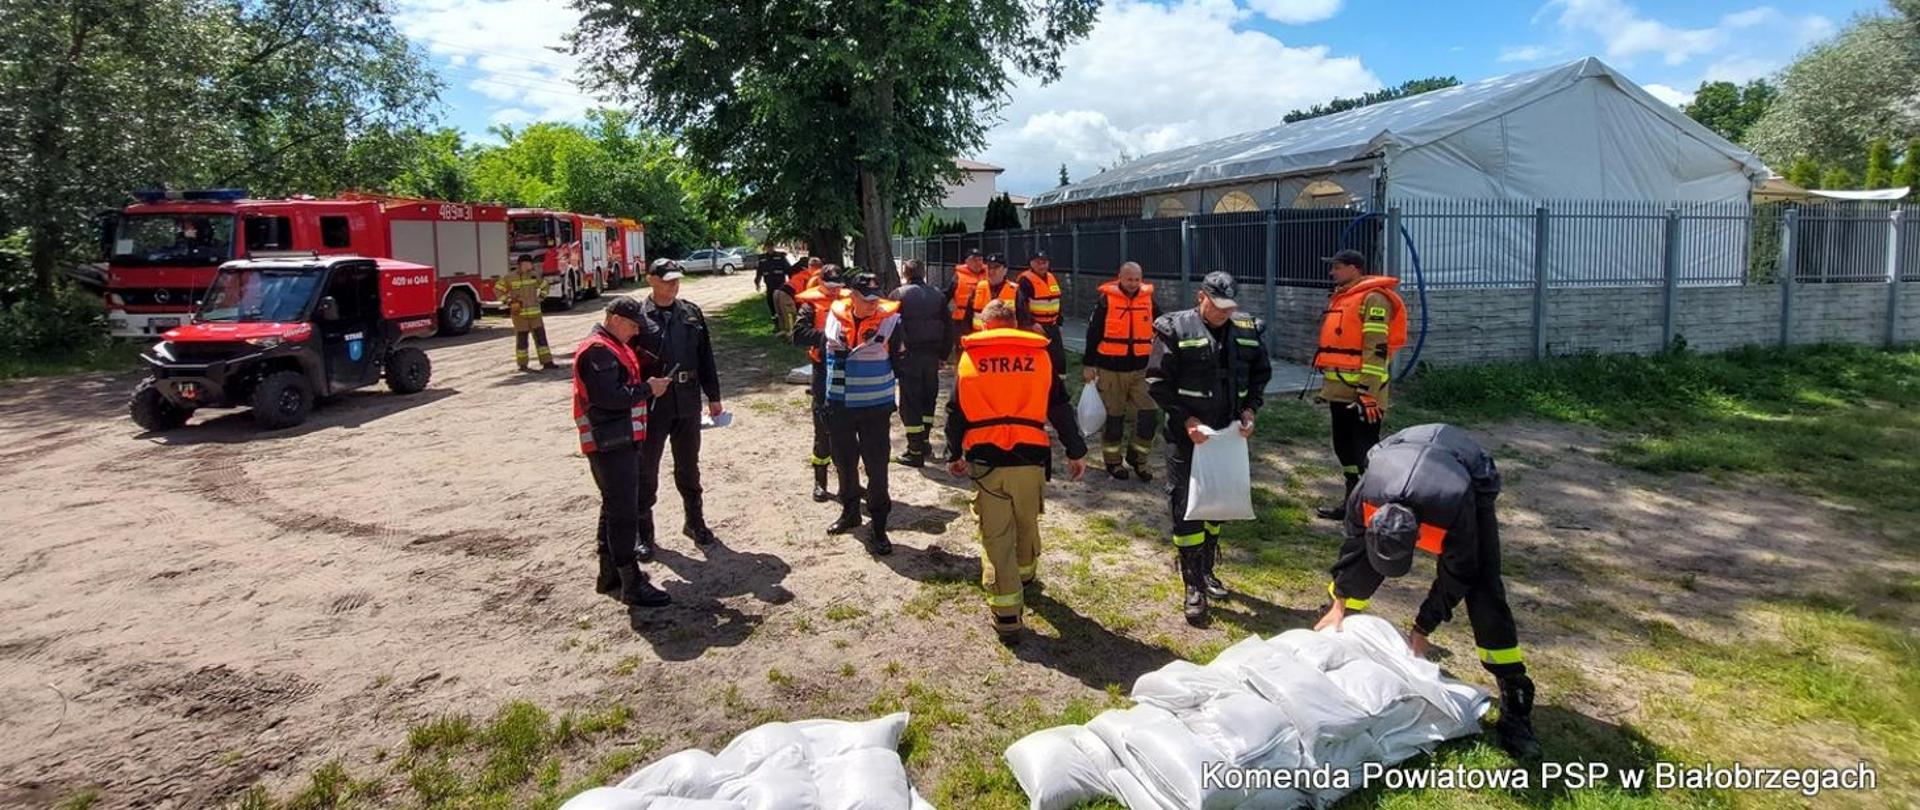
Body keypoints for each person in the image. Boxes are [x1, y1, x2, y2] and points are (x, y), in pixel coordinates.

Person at [1315, 423, 1539, 759]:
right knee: (1359, 566)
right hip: (1398, 452)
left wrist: (1423, 627)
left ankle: (1514, 692)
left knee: (1483, 586)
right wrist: (1339, 601)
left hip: (1467, 472)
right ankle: (1341, 629)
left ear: (1419, 535)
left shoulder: (1452, 509)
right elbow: (1353, 549)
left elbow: (1458, 573)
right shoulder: (1364, 497)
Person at [945, 300, 1088, 642]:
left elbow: (956, 410)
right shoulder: (1040, 356)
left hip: (987, 459)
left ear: (985, 325)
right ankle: (1025, 578)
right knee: (1026, 523)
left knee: (996, 536)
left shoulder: (970, 358)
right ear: (1014, 324)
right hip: (1030, 457)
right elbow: (1059, 407)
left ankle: (1008, 617)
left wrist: (953, 453)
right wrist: (1076, 450)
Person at [1145, 271, 1272, 625]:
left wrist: (1250, 410)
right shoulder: (1176, 329)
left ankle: (1206, 566)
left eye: (1229, 308)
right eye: (1217, 306)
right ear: (1201, 296)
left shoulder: (1246, 329)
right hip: (1187, 434)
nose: (1223, 314)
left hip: (1227, 434)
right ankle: (1193, 583)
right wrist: (1185, 419)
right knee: (1186, 504)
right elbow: (1157, 381)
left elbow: (1261, 374)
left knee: (1218, 500)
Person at [573, 297, 671, 608]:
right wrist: (648, 389)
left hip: (616, 440)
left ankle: (609, 576)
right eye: (631, 325)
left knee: (613, 508)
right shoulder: (598, 350)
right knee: (624, 512)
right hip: (610, 443)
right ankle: (631, 583)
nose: (634, 331)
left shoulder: (612, 345)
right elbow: (610, 397)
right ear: (615, 319)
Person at [634, 258, 725, 556]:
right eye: (667, 280)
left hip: (687, 401)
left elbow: (705, 357)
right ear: (651, 280)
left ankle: (695, 522)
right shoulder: (637, 317)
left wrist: (713, 396)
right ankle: (644, 534)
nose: (673, 285)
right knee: (646, 469)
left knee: (689, 466)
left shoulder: (691, 312)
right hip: (653, 404)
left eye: (676, 280)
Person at [1312, 248, 1407, 521]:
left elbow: (1376, 350)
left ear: (1355, 268)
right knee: (1343, 447)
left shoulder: (1373, 299)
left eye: (1338, 266)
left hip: (1364, 394)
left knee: (1366, 450)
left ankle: (1374, 509)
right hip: (1339, 391)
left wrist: (1367, 392)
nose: (1333, 272)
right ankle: (1352, 504)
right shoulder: (1344, 297)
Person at [821, 272, 903, 555]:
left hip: (874, 408)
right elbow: (825, 360)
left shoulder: (892, 322)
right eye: (866, 299)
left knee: (877, 468)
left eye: (875, 299)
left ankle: (879, 528)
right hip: (840, 406)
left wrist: (901, 401)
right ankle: (850, 512)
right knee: (844, 463)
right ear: (851, 296)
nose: (872, 305)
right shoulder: (834, 317)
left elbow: (900, 362)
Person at [1082, 261, 1159, 481]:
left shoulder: (1148, 299)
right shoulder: (1106, 300)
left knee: (1149, 416)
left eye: (1137, 279)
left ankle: (1138, 458)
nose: (1134, 284)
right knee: (1114, 419)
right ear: (1120, 278)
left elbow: (1162, 325)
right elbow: (1093, 333)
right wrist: (1089, 364)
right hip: (1111, 369)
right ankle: (1113, 462)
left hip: (1141, 369)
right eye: (1129, 279)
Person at [792, 266, 849, 502]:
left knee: (846, 429)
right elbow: (798, 335)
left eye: (839, 286)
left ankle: (848, 482)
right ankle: (820, 482)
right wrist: (827, 336)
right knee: (823, 426)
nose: (835, 291)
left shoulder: (848, 301)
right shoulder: (810, 305)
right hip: (822, 369)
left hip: (846, 368)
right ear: (821, 283)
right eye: (831, 286)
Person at [889, 259, 950, 467]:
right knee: (928, 399)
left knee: (910, 402)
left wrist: (892, 356)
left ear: (905, 273)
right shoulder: (938, 295)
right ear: (923, 273)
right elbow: (948, 326)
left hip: (910, 356)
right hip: (932, 356)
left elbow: (891, 328)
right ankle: (923, 443)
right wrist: (943, 355)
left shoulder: (898, 295)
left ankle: (914, 451)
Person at [499, 254, 555, 371]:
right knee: (522, 341)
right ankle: (523, 365)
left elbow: (545, 286)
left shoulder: (534, 276)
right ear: (523, 264)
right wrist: (508, 301)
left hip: (535, 316)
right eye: (530, 263)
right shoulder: (510, 277)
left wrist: (541, 298)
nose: (532, 265)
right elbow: (497, 289)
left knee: (541, 339)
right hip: (519, 316)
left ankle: (547, 362)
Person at [1015, 251, 1066, 376]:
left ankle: (1058, 385)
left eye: (1045, 263)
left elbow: (1056, 299)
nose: (1042, 266)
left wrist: (1059, 319)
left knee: (1058, 359)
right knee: (1035, 357)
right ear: (1031, 263)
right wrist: (1032, 323)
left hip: (1052, 325)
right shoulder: (1025, 280)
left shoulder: (1051, 277)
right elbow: (1021, 305)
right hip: (1035, 327)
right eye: (1038, 263)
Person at [944, 249, 988, 359]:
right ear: (966, 262)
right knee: (963, 348)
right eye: (974, 260)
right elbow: (947, 296)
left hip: (984, 318)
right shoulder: (958, 277)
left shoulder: (988, 274)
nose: (978, 263)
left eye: (980, 260)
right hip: (961, 320)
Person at [964, 254, 1018, 334]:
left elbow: (1023, 320)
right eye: (989, 267)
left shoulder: (1015, 290)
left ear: (1005, 270)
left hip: (1005, 339)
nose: (991, 271)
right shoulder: (979, 288)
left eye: (996, 267)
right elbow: (968, 317)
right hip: (980, 338)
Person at [753, 244, 792, 324]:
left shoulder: (780, 257)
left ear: (773, 247)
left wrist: (791, 282)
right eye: (768, 247)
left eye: (771, 247)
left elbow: (789, 270)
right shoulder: (762, 259)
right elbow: (759, 272)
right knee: (771, 303)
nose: (769, 249)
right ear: (765, 248)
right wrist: (757, 283)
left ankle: (783, 321)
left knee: (780, 303)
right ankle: (776, 321)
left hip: (780, 285)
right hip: (769, 285)